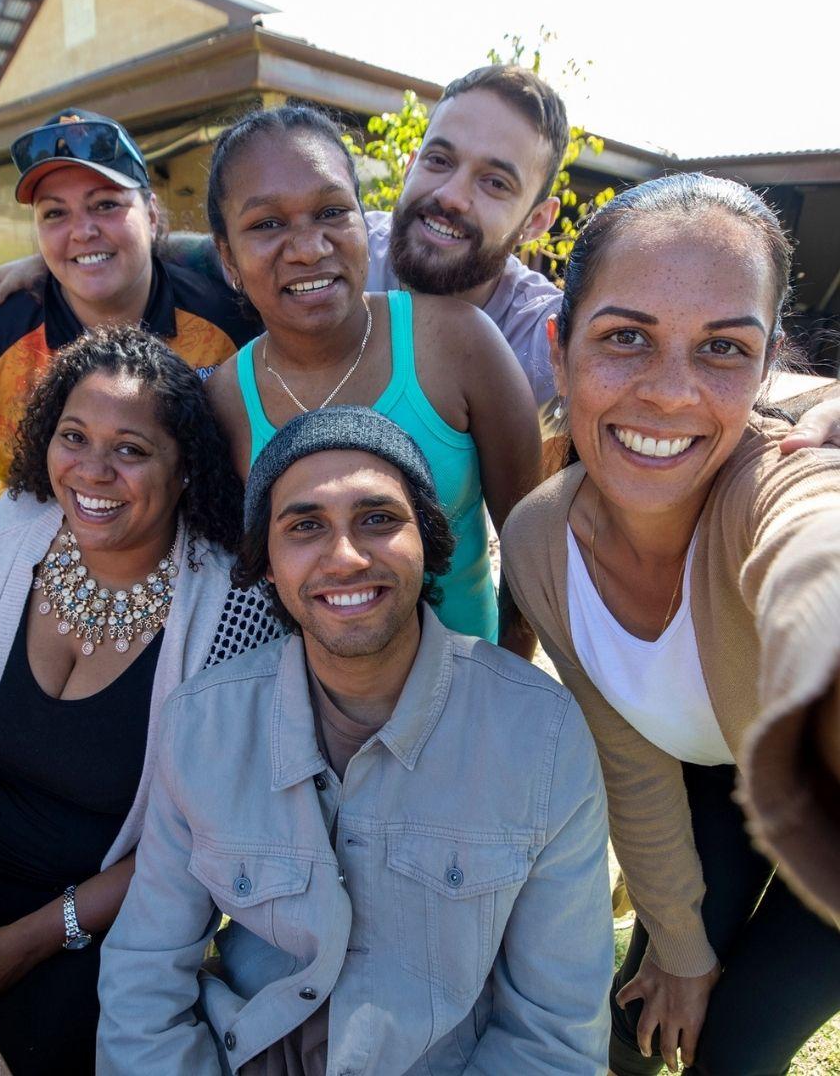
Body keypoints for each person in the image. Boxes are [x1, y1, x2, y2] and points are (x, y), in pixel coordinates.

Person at [97, 406, 612, 1075]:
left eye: (378, 519)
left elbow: (554, 1036)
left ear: (428, 540)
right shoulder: (203, 725)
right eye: (305, 526)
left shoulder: (539, 736)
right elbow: (145, 973)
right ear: (268, 564)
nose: (343, 556)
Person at [0, 68, 840, 453]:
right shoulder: (342, 241)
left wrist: (821, 405)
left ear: (536, 221)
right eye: (441, 159)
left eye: (496, 182)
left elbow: (663, 353)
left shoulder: (529, 330)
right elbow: (197, 244)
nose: (453, 195)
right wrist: (67, 258)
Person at [500, 173, 840, 1076]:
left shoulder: (785, 482)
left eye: (723, 348)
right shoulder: (540, 540)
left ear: (769, 367)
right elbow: (630, 755)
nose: (671, 392)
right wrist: (682, 949)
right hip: (724, 779)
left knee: (736, 1048)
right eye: (626, 338)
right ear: (559, 346)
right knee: (643, 1011)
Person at [0, 325, 280, 1075]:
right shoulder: (16, 529)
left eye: (132, 450)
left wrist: (35, 937)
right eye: (73, 436)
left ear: (185, 472)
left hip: (103, 927)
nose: (93, 471)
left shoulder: (233, 609)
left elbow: (201, 840)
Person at [203, 104, 541, 652]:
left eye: (333, 212)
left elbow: (533, 556)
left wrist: (506, 684)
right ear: (228, 258)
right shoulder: (225, 401)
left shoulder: (457, 344)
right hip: (314, 712)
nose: (310, 248)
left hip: (469, 699)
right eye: (267, 224)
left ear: (367, 222)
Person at [0, 109, 257, 504]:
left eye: (106, 205)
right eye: (55, 213)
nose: (82, 231)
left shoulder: (225, 321)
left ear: (150, 214)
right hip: (38, 560)